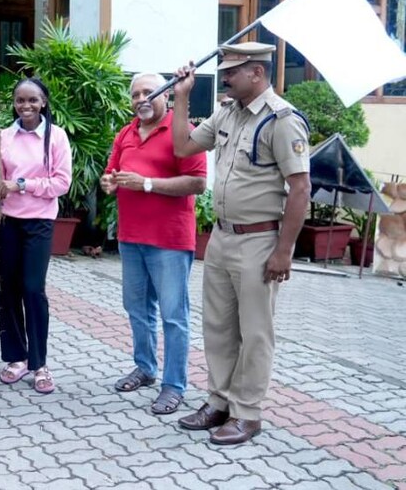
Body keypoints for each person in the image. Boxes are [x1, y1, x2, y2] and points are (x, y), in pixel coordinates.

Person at [171, 43, 311, 445]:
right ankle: (219, 401)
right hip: (221, 236)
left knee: (255, 332)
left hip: (259, 241)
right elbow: (183, 148)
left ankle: (248, 413)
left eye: (233, 71)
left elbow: (300, 189)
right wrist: (181, 98)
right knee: (217, 327)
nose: (226, 77)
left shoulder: (282, 121)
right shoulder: (227, 112)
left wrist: (283, 251)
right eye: (226, 70)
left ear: (258, 73)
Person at [100, 72, 207, 415]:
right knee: (137, 309)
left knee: (173, 316)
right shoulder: (126, 133)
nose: (141, 98)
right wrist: (109, 182)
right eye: (135, 93)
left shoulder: (182, 130)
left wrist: (146, 183)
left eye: (150, 91)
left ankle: (174, 385)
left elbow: (197, 183)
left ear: (165, 95)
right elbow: (113, 172)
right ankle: (145, 368)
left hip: (169, 241)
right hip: (131, 237)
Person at [0, 77, 72, 393]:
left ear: (44, 102)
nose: (26, 106)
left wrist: (23, 184)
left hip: (39, 222)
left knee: (32, 289)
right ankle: (17, 358)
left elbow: (62, 183)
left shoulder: (56, 137)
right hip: (9, 221)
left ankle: (40, 363)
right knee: (8, 289)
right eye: (20, 100)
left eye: (32, 100)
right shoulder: (4, 136)